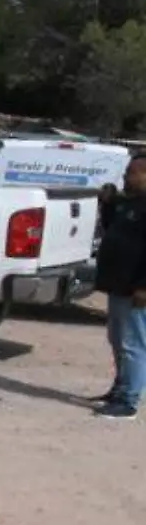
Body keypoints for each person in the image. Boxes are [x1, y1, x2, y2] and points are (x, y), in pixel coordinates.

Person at [91, 155, 146, 420]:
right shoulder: (130, 203)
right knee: (117, 340)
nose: (125, 177)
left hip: (136, 290)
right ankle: (120, 388)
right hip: (118, 285)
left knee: (133, 344)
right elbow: (112, 228)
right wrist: (108, 204)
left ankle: (129, 401)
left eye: (131, 173)